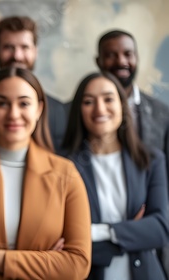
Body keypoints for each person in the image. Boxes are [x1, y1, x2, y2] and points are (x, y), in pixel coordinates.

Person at [0, 67, 91, 279]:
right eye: (2, 103)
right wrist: (46, 265)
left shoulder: (66, 174)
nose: (13, 113)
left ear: (39, 109)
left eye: (24, 103)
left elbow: (78, 265)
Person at [63, 72, 169, 280]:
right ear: (79, 110)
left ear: (122, 105)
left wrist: (97, 231)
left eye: (108, 99)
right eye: (88, 101)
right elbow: (64, 242)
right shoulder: (64, 166)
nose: (100, 108)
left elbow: (160, 229)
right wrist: (133, 232)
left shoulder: (151, 160)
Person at [96, 29, 169, 278]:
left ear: (137, 57)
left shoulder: (162, 114)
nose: (121, 61)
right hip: (96, 260)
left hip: (155, 250)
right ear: (98, 61)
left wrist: (149, 228)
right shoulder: (80, 111)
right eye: (111, 55)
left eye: (128, 54)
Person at [0, 16, 70, 155]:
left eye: (24, 47)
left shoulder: (59, 111)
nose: (17, 56)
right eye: (8, 47)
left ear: (35, 51)